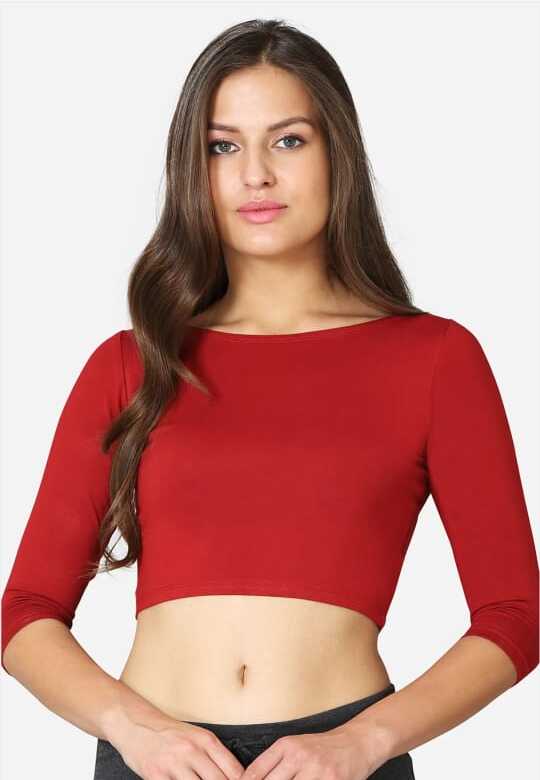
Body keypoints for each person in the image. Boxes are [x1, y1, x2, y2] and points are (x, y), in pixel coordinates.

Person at [2, 17, 538, 780]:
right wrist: (134, 730)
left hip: (340, 761)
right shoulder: (134, 363)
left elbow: (516, 616)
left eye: (288, 140)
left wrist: (364, 742)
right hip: (155, 761)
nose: (254, 174)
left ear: (336, 154)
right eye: (222, 147)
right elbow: (26, 612)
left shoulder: (435, 360)